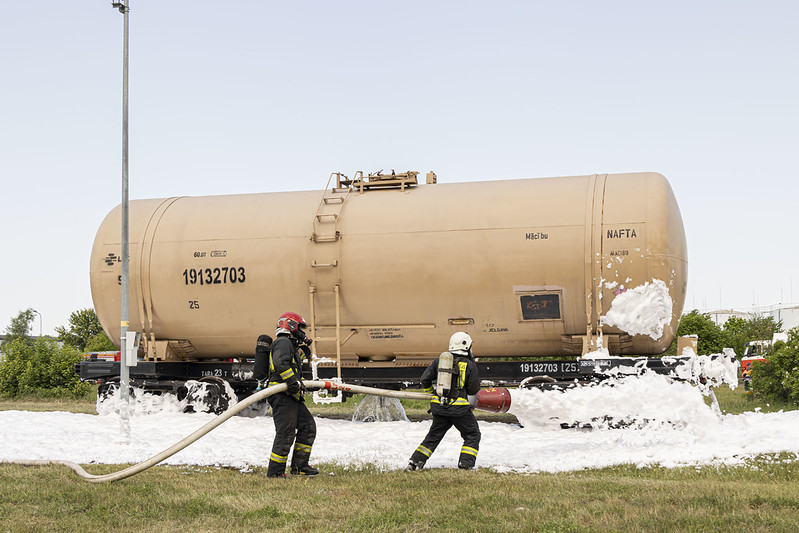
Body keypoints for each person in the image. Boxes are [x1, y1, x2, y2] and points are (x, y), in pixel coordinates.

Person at [406, 332, 481, 471]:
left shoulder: (439, 361)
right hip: (459, 410)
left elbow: (424, 379)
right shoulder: (469, 365)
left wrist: (432, 393)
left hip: (440, 407)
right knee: (472, 434)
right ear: (466, 346)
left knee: (433, 436)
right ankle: (466, 464)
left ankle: (415, 463)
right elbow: (472, 390)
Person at [263, 312, 318, 478]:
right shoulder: (283, 342)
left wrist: (305, 384)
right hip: (281, 394)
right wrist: (293, 382)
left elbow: (292, 367)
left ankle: (300, 467)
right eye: (301, 328)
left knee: (308, 427)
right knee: (286, 432)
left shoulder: (291, 346)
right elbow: (281, 363)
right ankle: (275, 472)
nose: (303, 332)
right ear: (291, 326)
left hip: (290, 394)